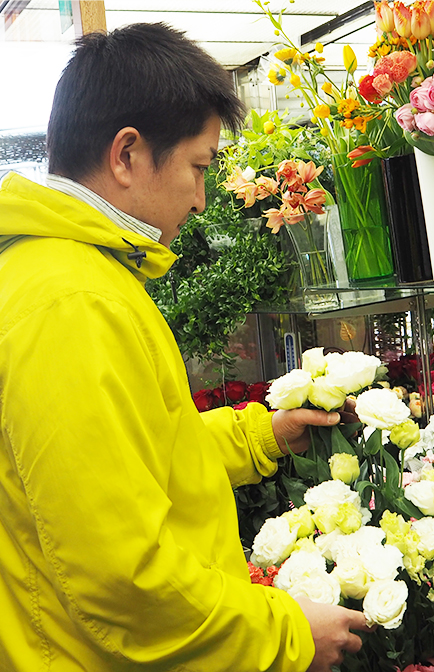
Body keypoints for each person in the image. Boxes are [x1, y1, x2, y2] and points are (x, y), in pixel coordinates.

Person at [0, 22, 370, 672]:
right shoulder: (71, 303)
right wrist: (285, 634)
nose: (201, 200)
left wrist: (261, 434)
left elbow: (130, 456)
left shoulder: (70, 275)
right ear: (127, 155)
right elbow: (122, 580)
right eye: (198, 168)